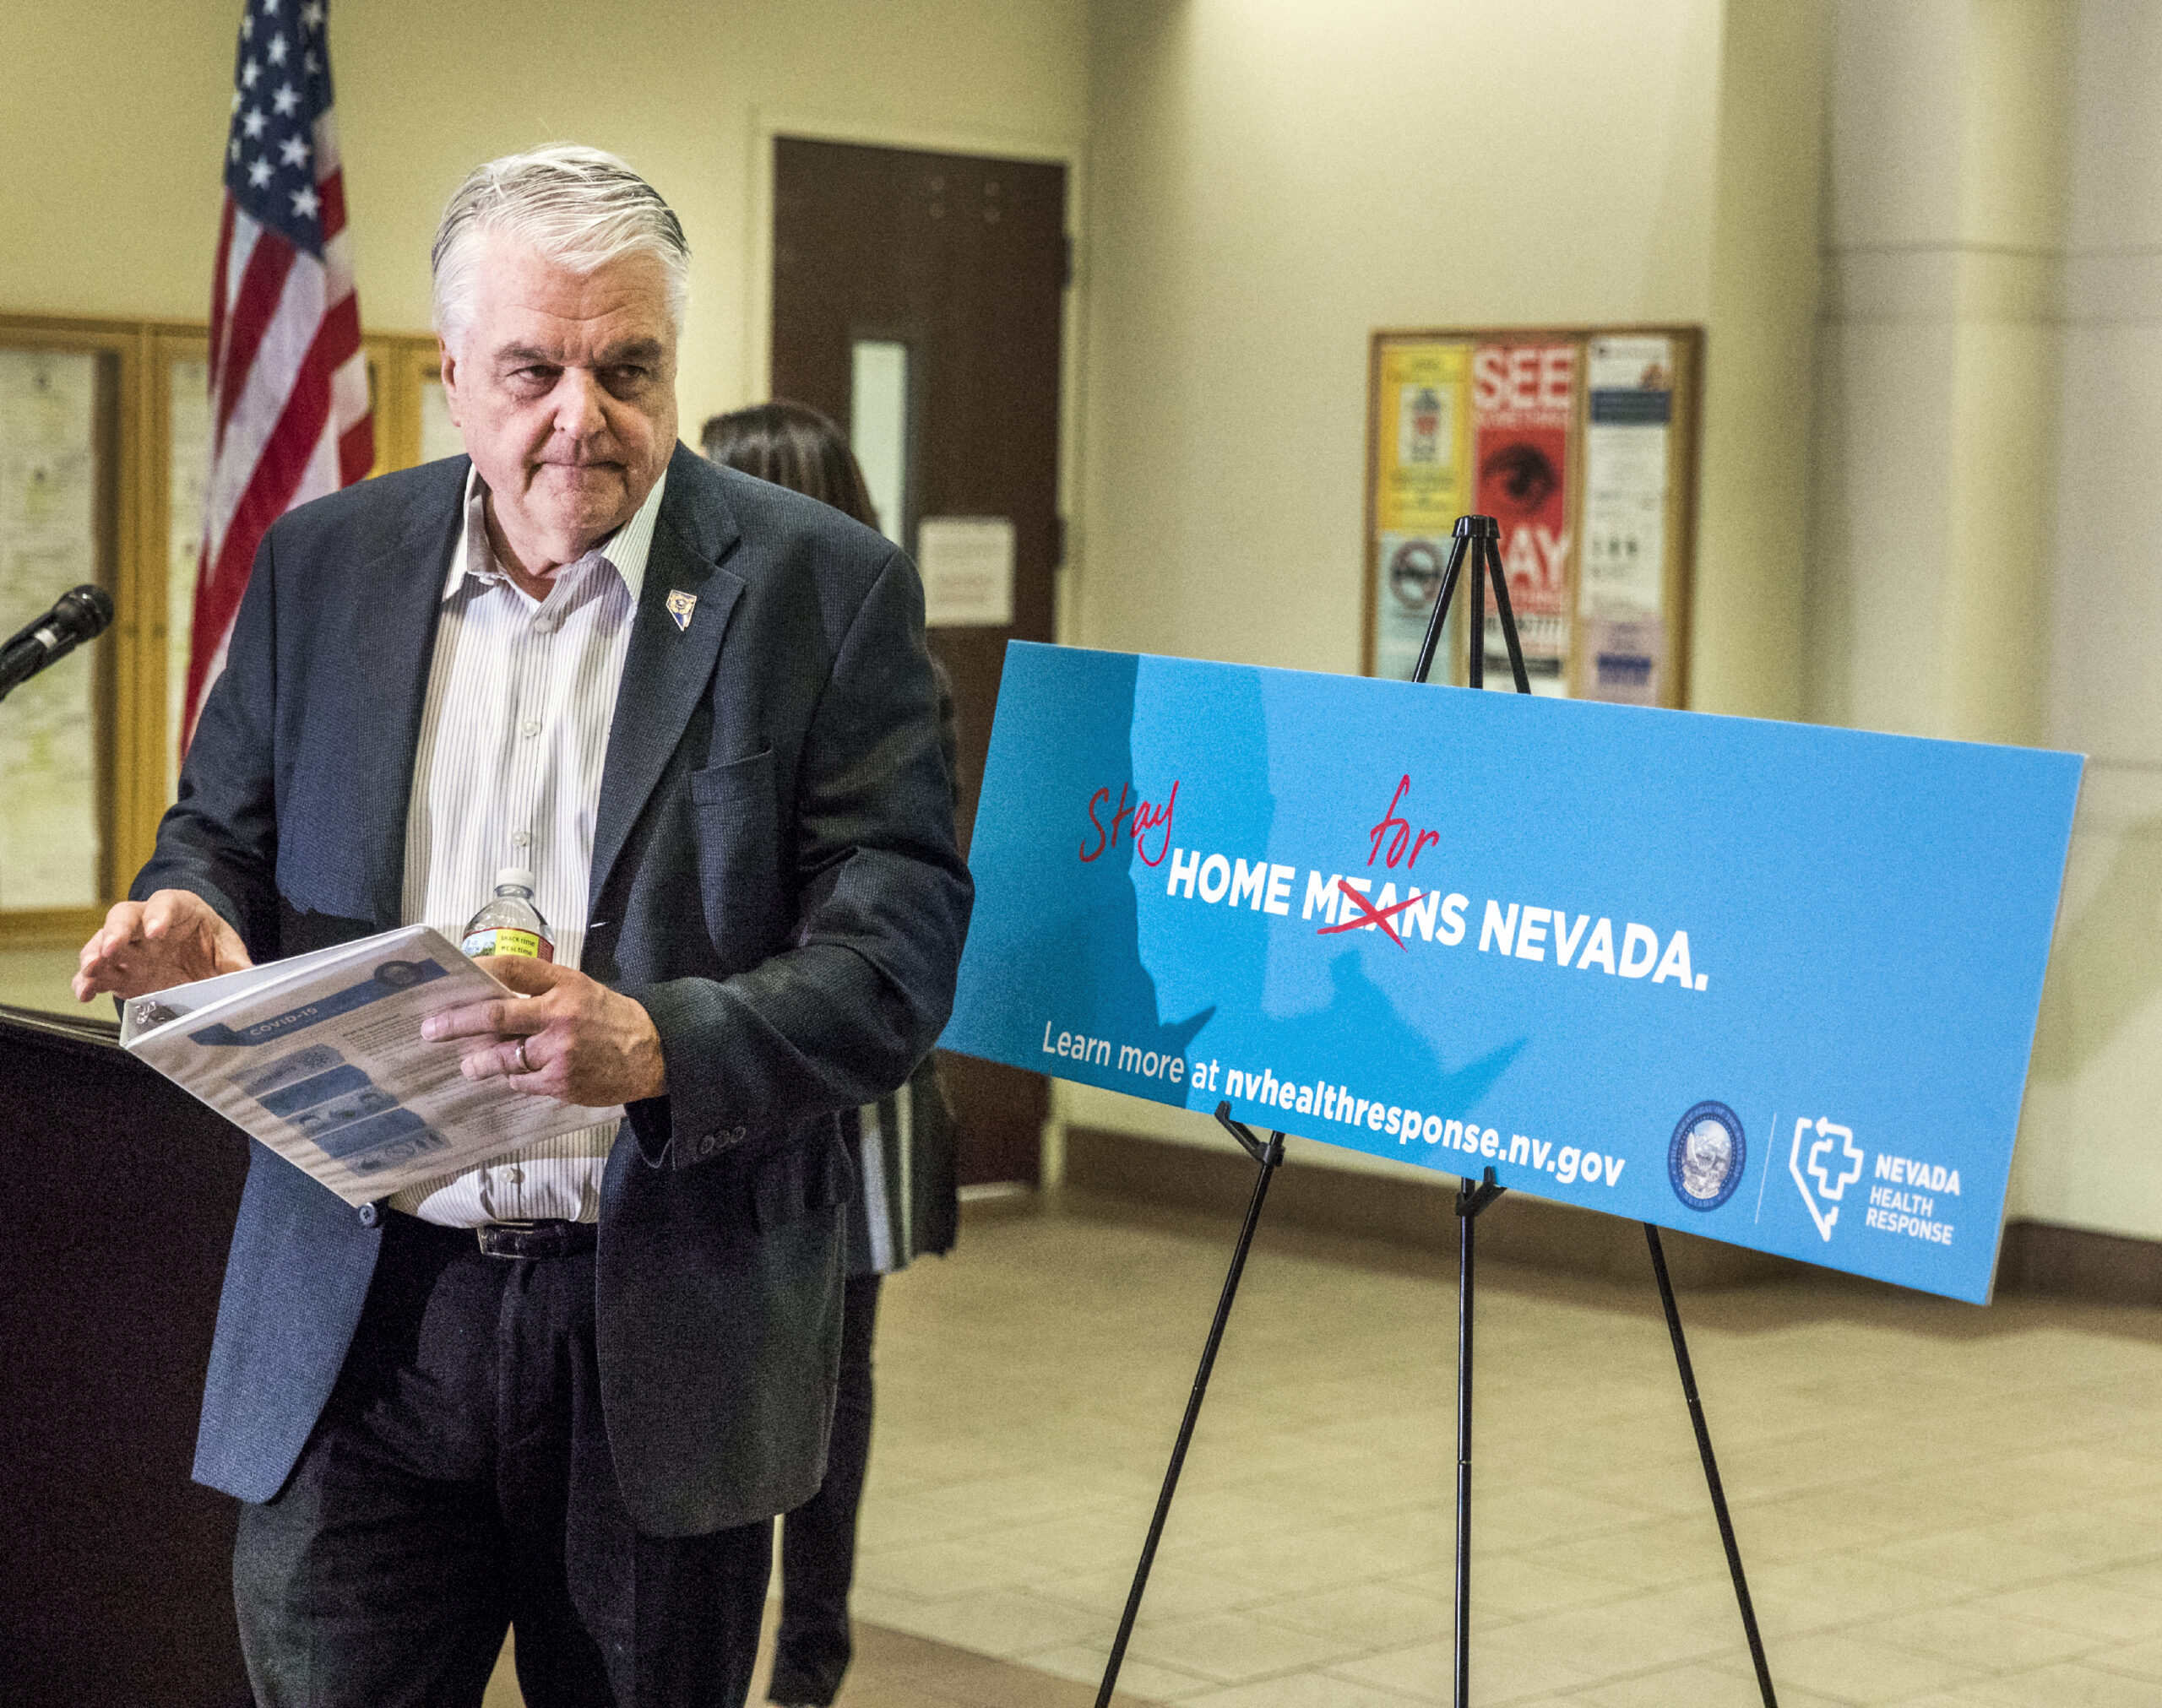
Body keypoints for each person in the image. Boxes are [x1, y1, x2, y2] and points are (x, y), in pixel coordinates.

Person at [73, 146, 970, 1708]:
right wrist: (196, 915)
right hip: (364, 1323)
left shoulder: (824, 591)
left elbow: (897, 961)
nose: (585, 415)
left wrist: (663, 1043)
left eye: (630, 369)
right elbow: (221, 829)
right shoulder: (324, 565)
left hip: (659, 1330)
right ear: (453, 378)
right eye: (535, 369)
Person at [701, 402, 961, 1708]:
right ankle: (789, 1648)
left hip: (851, 1091)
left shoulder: (876, 655)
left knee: (830, 1382)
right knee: (794, 1375)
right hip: (738, 1075)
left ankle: (810, 1658)